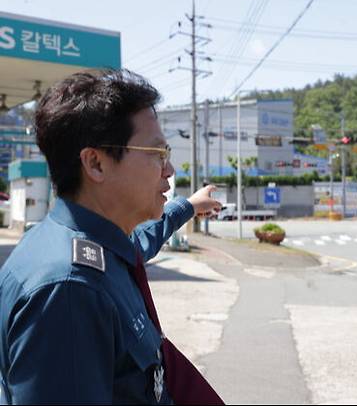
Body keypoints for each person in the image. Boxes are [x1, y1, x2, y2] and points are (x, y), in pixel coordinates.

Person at [0, 69, 223, 404]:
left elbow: (142, 242)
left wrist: (188, 206)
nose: (169, 169)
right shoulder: (70, 292)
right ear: (96, 164)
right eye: (157, 154)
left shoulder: (95, 243)